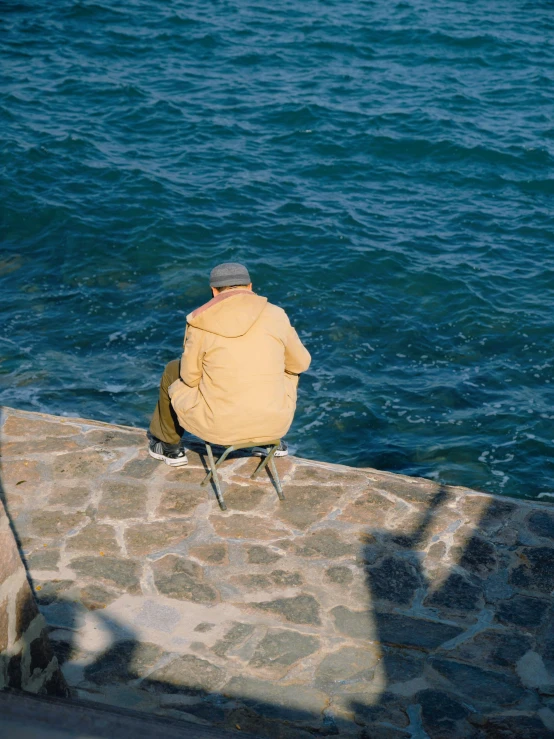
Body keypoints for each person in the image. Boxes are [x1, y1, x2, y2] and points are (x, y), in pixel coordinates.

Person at [148, 262, 311, 466]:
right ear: (250, 287)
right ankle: (268, 442)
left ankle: (168, 447)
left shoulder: (200, 322)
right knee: (289, 369)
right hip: (275, 426)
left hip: (219, 428)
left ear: (214, 291)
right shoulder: (277, 314)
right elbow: (301, 363)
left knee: (174, 368)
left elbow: (190, 378)